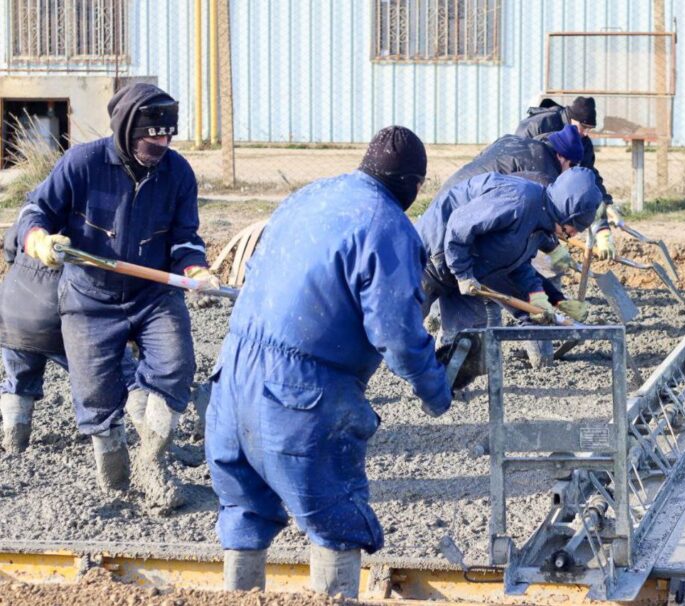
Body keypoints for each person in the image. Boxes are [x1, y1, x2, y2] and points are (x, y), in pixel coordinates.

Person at [205, 126, 452, 598]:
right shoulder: (386, 225)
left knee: (244, 509)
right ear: (413, 184)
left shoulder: (308, 196)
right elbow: (397, 334)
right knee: (335, 514)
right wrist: (435, 388)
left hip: (233, 376)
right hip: (301, 391)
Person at [17, 83, 216, 510]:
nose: (161, 146)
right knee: (95, 393)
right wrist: (38, 240)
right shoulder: (83, 164)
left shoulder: (177, 173)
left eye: (168, 136)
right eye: (152, 138)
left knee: (175, 364)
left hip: (153, 294)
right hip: (89, 297)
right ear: (127, 129)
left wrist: (195, 268)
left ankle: (152, 461)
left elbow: (185, 237)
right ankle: (114, 472)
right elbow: (35, 211)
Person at [416, 167, 601, 349]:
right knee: (404, 329)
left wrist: (540, 297)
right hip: (430, 259)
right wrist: (462, 273)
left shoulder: (541, 226)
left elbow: (516, 265)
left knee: (469, 344)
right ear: (567, 215)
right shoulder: (520, 200)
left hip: (467, 272)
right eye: (575, 228)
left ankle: (444, 367)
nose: (574, 234)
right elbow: (459, 225)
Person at [0, 223, 141, 453]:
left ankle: (15, 442)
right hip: (64, 315)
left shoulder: (32, 219)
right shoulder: (97, 226)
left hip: (13, 311)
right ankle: (154, 445)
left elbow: (10, 251)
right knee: (126, 375)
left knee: (19, 381)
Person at [515, 96, 618, 262]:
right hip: (526, 183)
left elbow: (587, 175)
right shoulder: (540, 124)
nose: (586, 133)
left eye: (590, 129)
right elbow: (520, 156)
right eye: (584, 126)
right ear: (573, 118)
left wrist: (603, 204)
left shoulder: (583, 142)